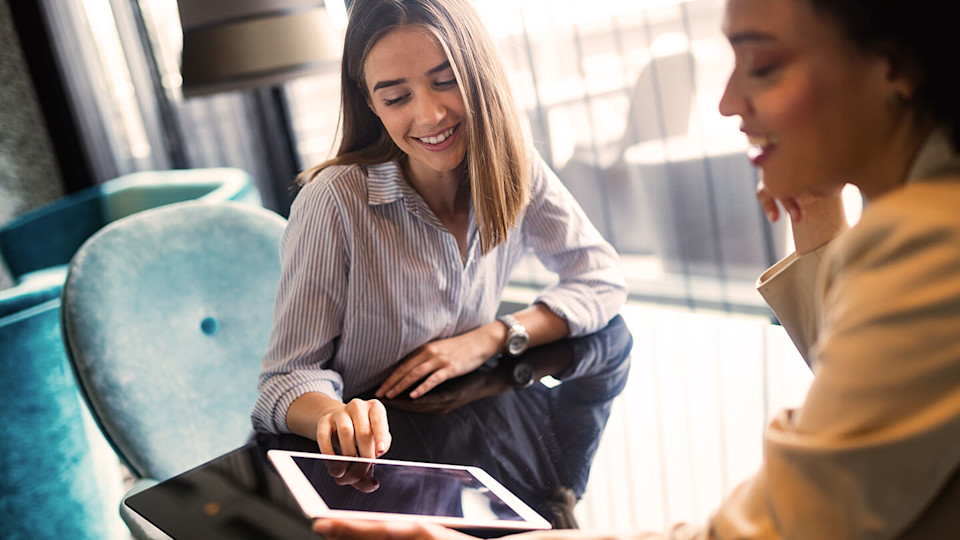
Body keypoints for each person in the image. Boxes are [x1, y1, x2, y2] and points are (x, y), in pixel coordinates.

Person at [310, 0, 960, 537]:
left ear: (895, 66)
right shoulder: (915, 226)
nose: (726, 101)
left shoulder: (929, 244)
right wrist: (820, 221)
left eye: (761, 64)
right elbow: (871, 395)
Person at [251, 0, 627, 461]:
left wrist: (491, 337)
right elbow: (285, 379)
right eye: (395, 98)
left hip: (459, 430)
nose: (430, 116)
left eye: (446, 81)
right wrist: (333, 414)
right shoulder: (335, 200)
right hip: (367, 460)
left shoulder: (516, 166)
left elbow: (601, 278)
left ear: (478, 72)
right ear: (371, 104)